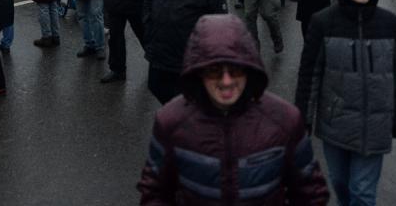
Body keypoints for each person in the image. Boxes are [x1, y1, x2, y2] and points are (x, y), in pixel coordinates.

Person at [138, 14, 329, 204]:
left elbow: (310, 192)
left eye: (235, 70)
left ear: (249, 69)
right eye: (214, 71)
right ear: (199, 73)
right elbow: (154, 192)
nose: (226, 81)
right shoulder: (170, 122)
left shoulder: (285, 120)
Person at [296, 0, 396, 206]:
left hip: (375, 124)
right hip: (335, 122)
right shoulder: (323, 22)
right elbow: (310, 74)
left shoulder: (389, 24)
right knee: (340, 183)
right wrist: (303, 118)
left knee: (362, 192)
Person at [143, 0, 226, 104]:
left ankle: (181, 121)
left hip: (187, 55)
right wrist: (148, 24)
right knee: (155, 86)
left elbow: (220, 20)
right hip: (160, 50)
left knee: (184, 97)